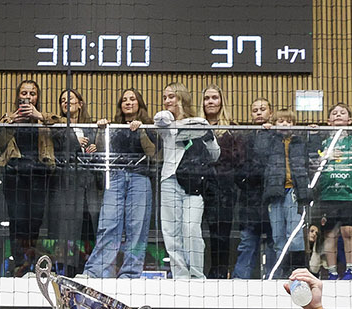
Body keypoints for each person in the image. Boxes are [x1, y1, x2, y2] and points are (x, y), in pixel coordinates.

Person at [81, 88, 156, 279]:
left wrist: (142, 130)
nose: (128, 102)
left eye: (132, 99)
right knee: (108, 224)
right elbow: (102, 150)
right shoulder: (114, 126)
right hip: (115, 177)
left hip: (140, 178)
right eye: (124, 100)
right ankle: (96, 271)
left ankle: (130, 274)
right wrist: (102, 130)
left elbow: (152, 153)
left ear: (139, 103)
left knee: (137, 228)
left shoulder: (149, 126)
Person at [154, 83, 219, 279]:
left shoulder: (199, 123)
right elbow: (159, 118)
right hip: (170, 180)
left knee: (191, 229)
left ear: (182, 97)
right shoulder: (166, 124)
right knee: (171, 232)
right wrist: (177, 120)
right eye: (165, 97)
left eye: (172, 96)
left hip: (194, 184)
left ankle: (197, 275)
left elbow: (215, 155)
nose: (167, 100)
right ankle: (180, 276)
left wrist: (207, 135)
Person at [0, 80, 57, 275]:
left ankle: (31, 260)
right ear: (18, 96)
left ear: (37, 97)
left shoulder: (44, 119)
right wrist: (10, 123)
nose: (28, 97)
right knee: (17, 218)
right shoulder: (8, 119)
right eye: (24, 93)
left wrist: (40, 116)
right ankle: (19, 261)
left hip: (39, 173)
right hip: (15, 173)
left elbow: (64, 126)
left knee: (35, 219)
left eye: (32, 93)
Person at [310, 103, 352, 281]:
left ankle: (350, 271)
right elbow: (313, 165)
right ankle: (332, 272)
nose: (338, 115)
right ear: (329, 120)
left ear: (349, 120)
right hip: (327, 195)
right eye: (334, 113)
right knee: (330, 234)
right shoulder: (323, 142)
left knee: (348, 231)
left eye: (342, 112)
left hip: (348, 196)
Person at [49, 89, 101, 276]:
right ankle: (66, 271)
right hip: (67, 186)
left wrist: (94, 149)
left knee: (89, 229)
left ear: (80, 103)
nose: (66, 102)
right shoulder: (57, 127)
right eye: (62, 100)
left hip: (89, 187)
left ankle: (89, 270)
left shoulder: (91, 128)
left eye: (70, 98)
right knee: (67, 230)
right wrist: (75, 141)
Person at [255, 109, 310, 280]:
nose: (285, 124)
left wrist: (314, 134)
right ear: (274, 124)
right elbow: (259, 152)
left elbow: (311, 157)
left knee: (295, 234)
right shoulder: (270, 141)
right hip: (275, 191)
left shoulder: (300, 142)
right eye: (281, 121)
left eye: (289, 121)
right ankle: (281, 272)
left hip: (294, 190)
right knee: (278, 235)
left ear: (294, 125)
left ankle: (298, 272)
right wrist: (265, 133)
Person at [234, 98, 275, 279]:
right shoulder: (245, 137)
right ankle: (240, 281)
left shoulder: (277, 135)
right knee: (247, 243)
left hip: (273, 199)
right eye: (255, 110)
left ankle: (275, 279)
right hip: (249, 201)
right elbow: (238, 166)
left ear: (270, 113)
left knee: (274, 243)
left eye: (262, 109)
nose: (258, 112)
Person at [202, 86, 240, 279]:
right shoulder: (196, 127)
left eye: (214, 97)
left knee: (222, 233)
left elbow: (238, 159)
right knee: (199, 232)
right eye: (207, 98)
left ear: (221, 101)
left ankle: (220, 272)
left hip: (225, 189)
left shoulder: (232, 129)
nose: (210, 101)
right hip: (200, 187)